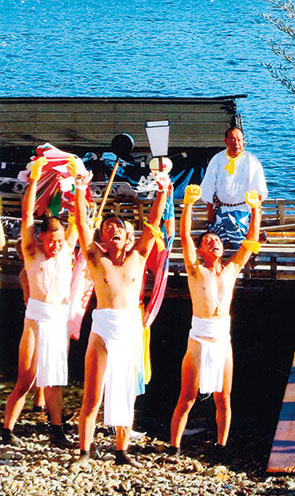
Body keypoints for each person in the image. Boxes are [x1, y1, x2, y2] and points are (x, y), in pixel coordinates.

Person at [72, 168, 172, 466]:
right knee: (93, 396)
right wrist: (79, 189)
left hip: (129, 327)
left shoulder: (138, 256)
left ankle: (121, 451)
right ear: (102, 236)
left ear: (127, 237)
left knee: (127, 393)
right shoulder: (95, 257)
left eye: (118, 227)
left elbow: (153, 223)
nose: (113, 230)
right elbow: (80, 223)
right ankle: (83, 452)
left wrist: (163, 191)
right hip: (103, 327)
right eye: (108, 227)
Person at [169, 185, 262, 457]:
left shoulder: (231, 268)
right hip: (199, 338)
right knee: (187, 397)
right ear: (200, 250)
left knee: (224, 397)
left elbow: (250, 241)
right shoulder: (195, 270)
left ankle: (221, 446)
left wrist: (255, 210)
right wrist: (187, 205)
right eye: (207, 241)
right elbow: (185, 236)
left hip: (222, 338)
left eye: (216, 240)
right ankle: (174, 446)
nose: (213, 242)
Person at [2, 157, 79, 448]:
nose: (56, 244)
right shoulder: (32, 252)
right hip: (35, 318)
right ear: (43, 237)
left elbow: (79, 222)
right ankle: (7, 427)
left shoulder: (67, 249)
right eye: (52, 239)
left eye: (60, 239)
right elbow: (27, 217)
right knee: (27, 378)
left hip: (58, 317)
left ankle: (56, 429)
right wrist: (34, 180)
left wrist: (79, 186)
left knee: (55, 379)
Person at [200, 126, 268, 251]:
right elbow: (208, 190)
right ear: (226, 141)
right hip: (222, 209)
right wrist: (210, 221)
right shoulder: (217, 160)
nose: (236, 143)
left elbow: (258, 194)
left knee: (237, 232)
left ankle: (244, 246)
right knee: (218, 240)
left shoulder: (252, 161)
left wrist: (256, 223)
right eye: (232, 139)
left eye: (239, 140)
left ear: (243, 141)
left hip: (244, 211)